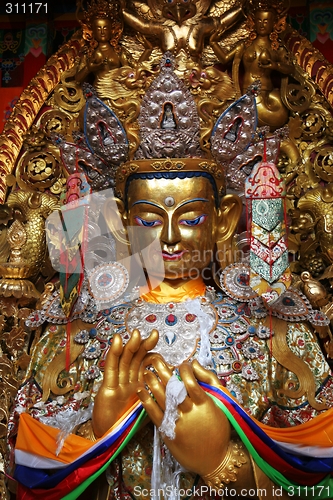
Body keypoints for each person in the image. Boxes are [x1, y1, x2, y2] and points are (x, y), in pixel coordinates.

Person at [7, 55, 333, 500]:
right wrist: (98, 437)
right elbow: (22, 480)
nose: (171, 238)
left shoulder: (271, 333)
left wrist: (223, 463)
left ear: (224, 219)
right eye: (149, 218)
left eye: (192, 217)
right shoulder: (77, 337)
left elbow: (319, 480)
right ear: (121, 221)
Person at [210, 1, 294, 130]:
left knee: (276, 119)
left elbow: (290, 69)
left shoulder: (276, 48)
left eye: (266, 21)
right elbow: (224, 58)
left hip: (268, 93)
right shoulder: (246, 45)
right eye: (259, 20)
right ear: (253, 22)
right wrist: (213, 42)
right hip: (248, 93)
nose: (262, 24)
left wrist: (275, 65)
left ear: (275, 24)